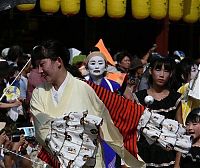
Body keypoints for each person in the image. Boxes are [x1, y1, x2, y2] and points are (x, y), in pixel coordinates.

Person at [30, 40, 146, 168]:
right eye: (37, 66)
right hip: (54, 161)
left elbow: (114, 120)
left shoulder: (85, 88)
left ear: (58, 61)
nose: (40, 70)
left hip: (89, 162)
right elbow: (42, 129)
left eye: (42, 64)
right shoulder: (38, 92)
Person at [133, 55, 183, 168]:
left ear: (170, 74)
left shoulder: (175, 99)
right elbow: (131, 130)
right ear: (150, 71)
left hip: (167, 156)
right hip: (142, 155)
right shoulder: (138, 97)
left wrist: (177, 163)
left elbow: (180, 133)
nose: (162, 75)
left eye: (166, 71)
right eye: (158, 69)